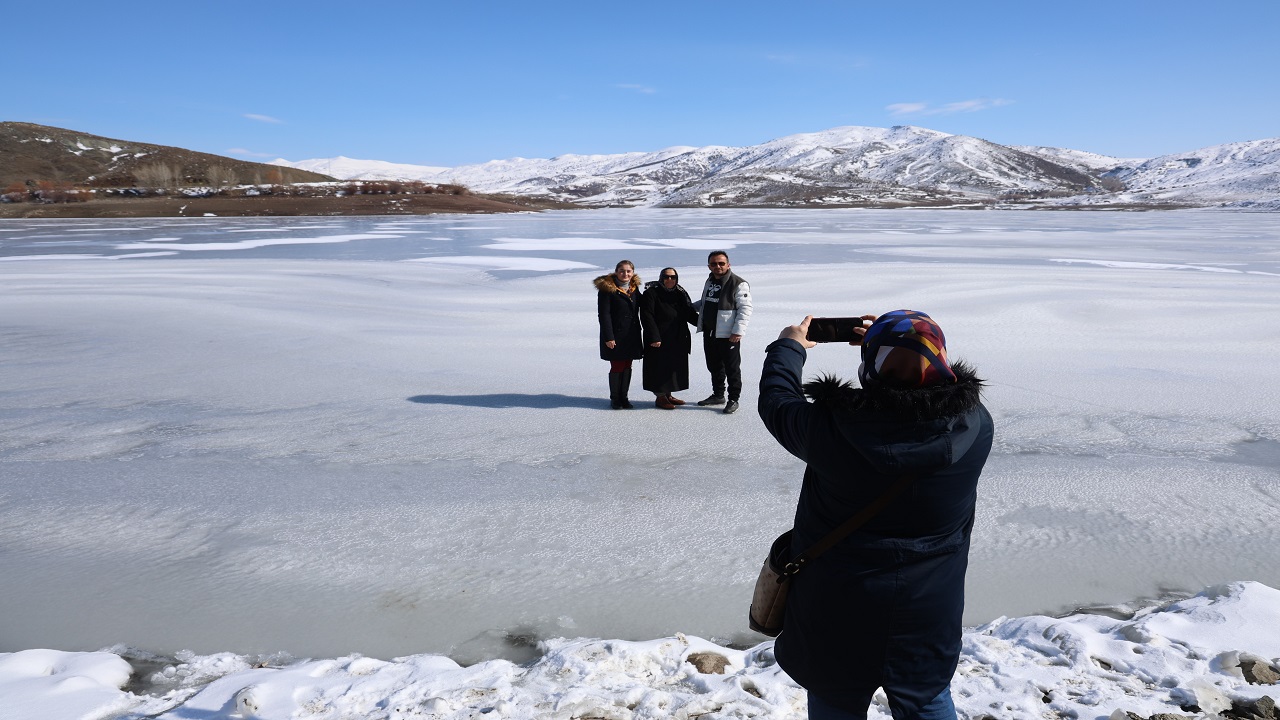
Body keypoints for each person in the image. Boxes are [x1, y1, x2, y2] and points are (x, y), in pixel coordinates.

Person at [757, 310, 994, 720]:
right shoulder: (973, 426)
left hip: (836, 606)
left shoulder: (830, 430)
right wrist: (906, 345)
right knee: (925, 700)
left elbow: (777, 400)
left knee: (835, 700)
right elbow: (937, 384)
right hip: (927, 605)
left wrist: (789, 346)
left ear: (869, 366)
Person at [694, 250, 752, 414]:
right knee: (714, 366)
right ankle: (718, 395)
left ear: (728, 264)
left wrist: (737, 331)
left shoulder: (738, 283)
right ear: (709, 266)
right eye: (714, 264)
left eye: (721, 263)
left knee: (732, 368)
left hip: (728, 336)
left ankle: (733, 399)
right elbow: (707, 301)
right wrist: (690, 307)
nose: (717, 266)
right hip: (710, 332)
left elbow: (745, 309)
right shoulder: (710, 280)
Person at [640, 267, 699, 409]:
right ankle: (660, 397)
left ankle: (668, 394)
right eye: (666, 277)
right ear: (661, 278)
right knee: (659, 366)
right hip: (658, 337)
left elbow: (688, 312)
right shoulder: (651, 293)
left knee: (673, 367)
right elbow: (647, 316)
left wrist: (704, 324)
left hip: (677, 336)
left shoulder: (680, 293)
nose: (669, 280)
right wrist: (654, 337)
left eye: (673, 277)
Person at [594, 260, 644, 409]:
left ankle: (624, 397)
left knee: (628, 365)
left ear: (633, 273)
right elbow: (604, 315)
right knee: (617, 365)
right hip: (615, 335)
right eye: (622, 271)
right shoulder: (607, 290)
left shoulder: (634, 289)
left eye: (628, 271)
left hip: (632, 335)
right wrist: (609, 337)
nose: (625, 274)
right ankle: (615, 399)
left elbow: (643, 305)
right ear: (616, 272)